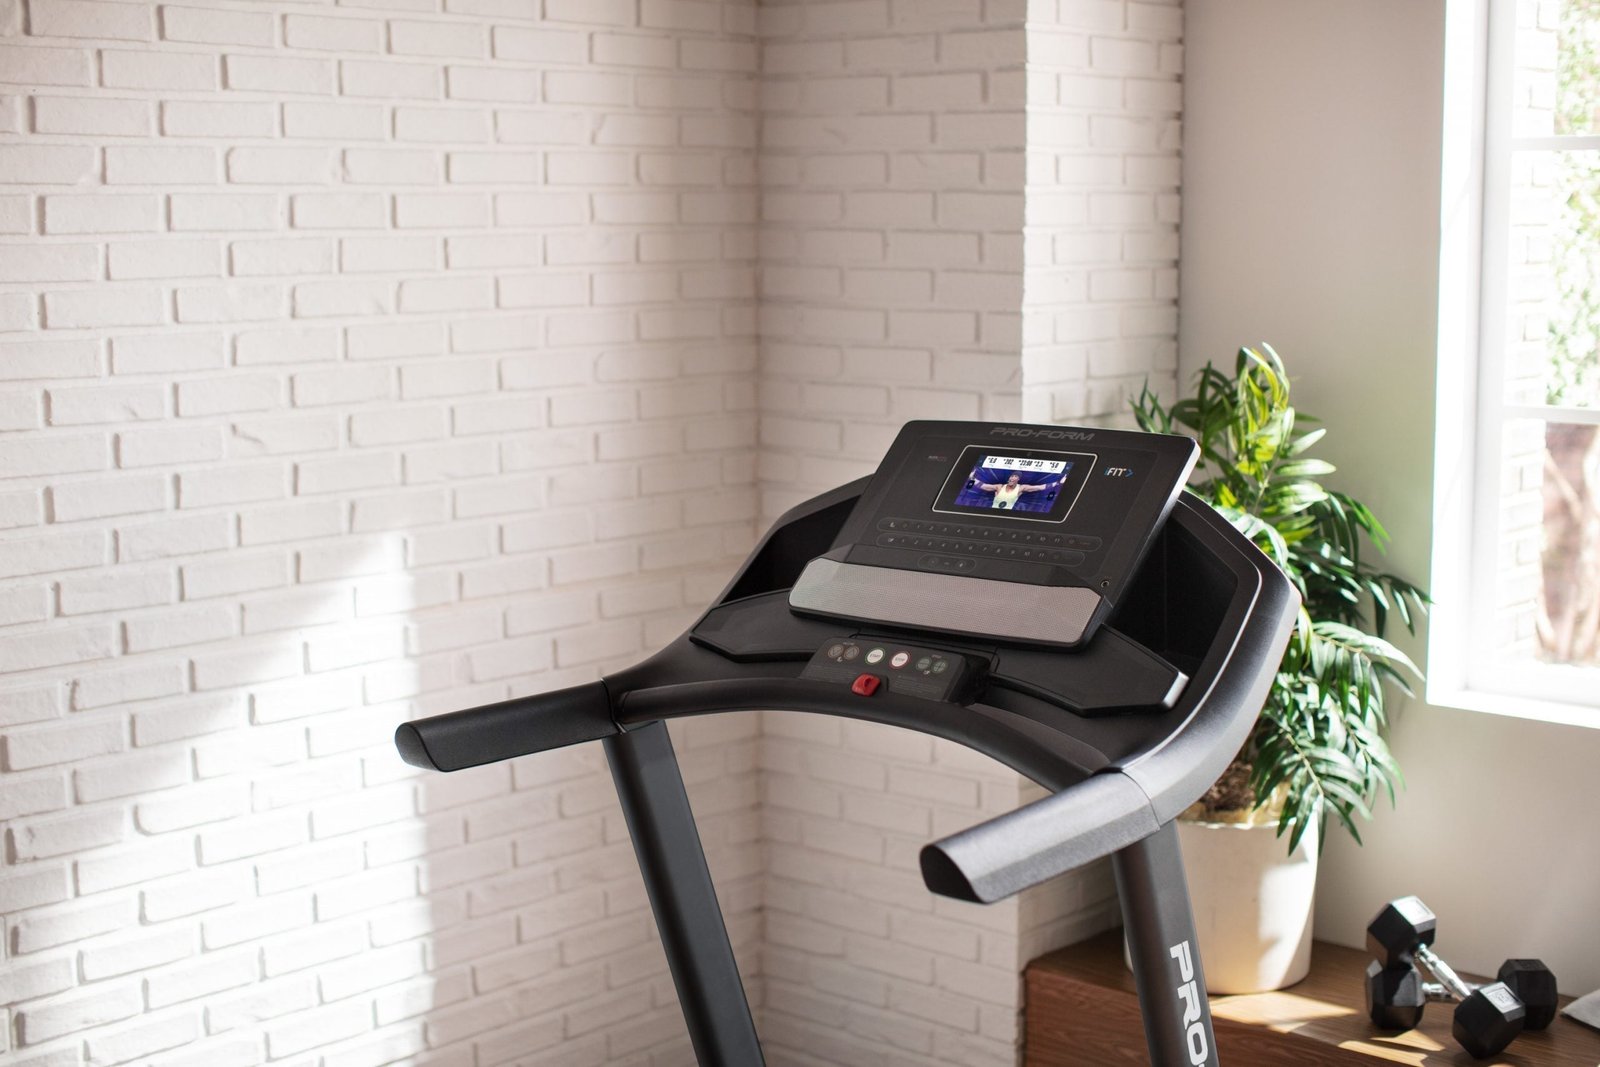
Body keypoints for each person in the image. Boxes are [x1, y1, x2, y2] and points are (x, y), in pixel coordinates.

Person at [973, 471, 1056, 510]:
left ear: (1018, 479)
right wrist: (972, 478)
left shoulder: (1021, 488)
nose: (1012, 478)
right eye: (1011, 476)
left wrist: (1057, 483)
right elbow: (983, 486)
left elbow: (1039, 487)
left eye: (1015, 477)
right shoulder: (999, 487)